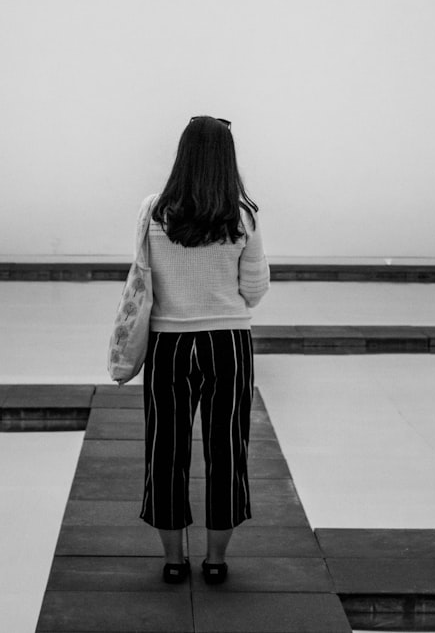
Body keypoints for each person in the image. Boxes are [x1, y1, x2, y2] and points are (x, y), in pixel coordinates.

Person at [136, 115, 269, 585]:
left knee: (165, 450)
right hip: (227, 343)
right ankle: (215, 561)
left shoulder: (154, 210)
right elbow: (254, 290)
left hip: (168, 343)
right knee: (227, 449)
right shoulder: (242, 214)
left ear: (183, 153)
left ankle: (174, 561)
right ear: (226, 157)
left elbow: (143, 277)